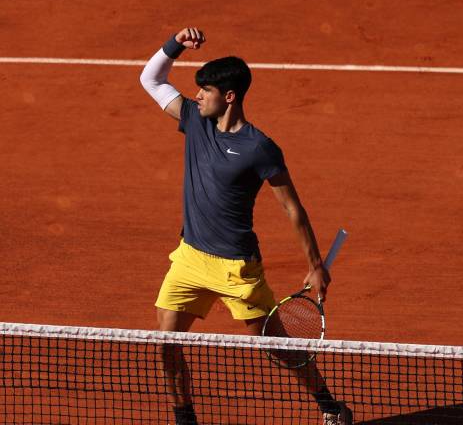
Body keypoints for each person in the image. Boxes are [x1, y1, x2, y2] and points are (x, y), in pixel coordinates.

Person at [139, 27, 352, 425]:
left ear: (230, 97)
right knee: (166, 342)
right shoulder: (193, 120)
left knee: (275, 346)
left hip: (237, 268)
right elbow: (150, 78)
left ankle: (328, 405)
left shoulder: (259, 148)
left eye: (206, 91)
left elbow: (294, 209)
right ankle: (185, 417)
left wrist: (316, 264)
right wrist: (174, 44)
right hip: (189, 259)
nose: (197, 95)